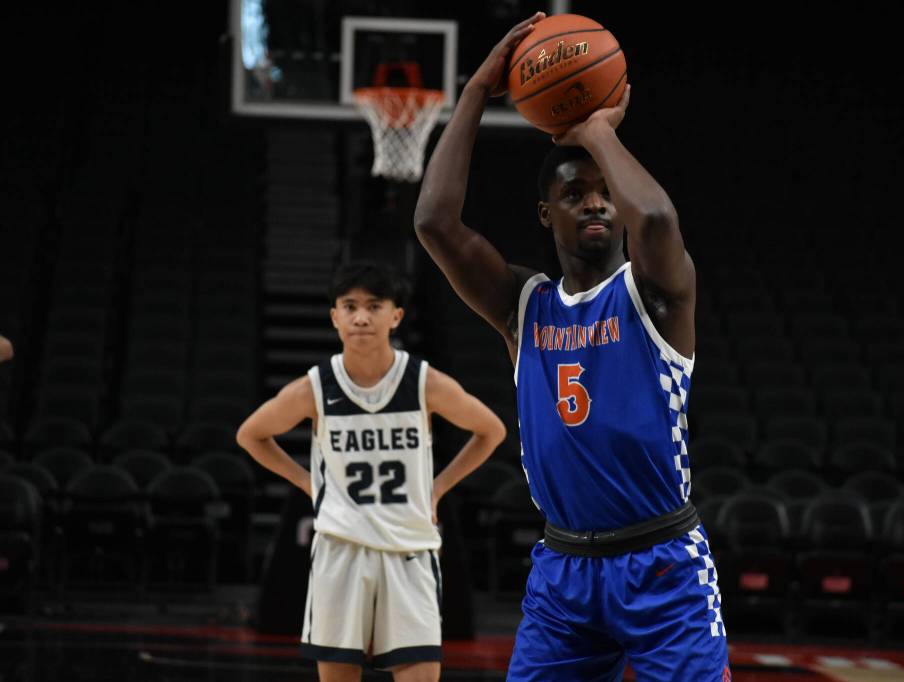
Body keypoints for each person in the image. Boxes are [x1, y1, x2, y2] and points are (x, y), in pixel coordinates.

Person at [414, 13, 730, 682]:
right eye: (573, 193)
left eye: (604, 193)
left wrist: (593, 130)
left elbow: (660, 218)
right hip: (564, 572)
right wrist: (475, 90)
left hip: (663, 564)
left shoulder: (657, 296)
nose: (594, 204)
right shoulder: (523, 308)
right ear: (544, 213)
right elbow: (435, 222)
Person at [236, 262, 507, 682]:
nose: (361, 316)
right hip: (341, 547)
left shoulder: (422, 381)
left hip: (409, 548)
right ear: (335, 317)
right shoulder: (316, 385)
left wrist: (437, 490)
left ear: (395, 315)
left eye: (374, 306)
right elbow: (251, 435)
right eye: (350, 306)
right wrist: (309, 483)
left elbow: (491, 431)